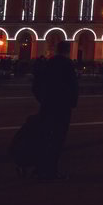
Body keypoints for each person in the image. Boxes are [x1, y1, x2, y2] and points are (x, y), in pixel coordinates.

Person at [33, 42, 79, 180]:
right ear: (68, 50)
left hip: (47, 106)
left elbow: (36, 85)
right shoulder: (68, 65)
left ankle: (40, 169)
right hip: (62, 108)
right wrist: (71, 103)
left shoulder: (47, 63)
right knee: (57, 140)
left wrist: (42, 99)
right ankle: (51, 171)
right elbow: (73, 86)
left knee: (44, 137)